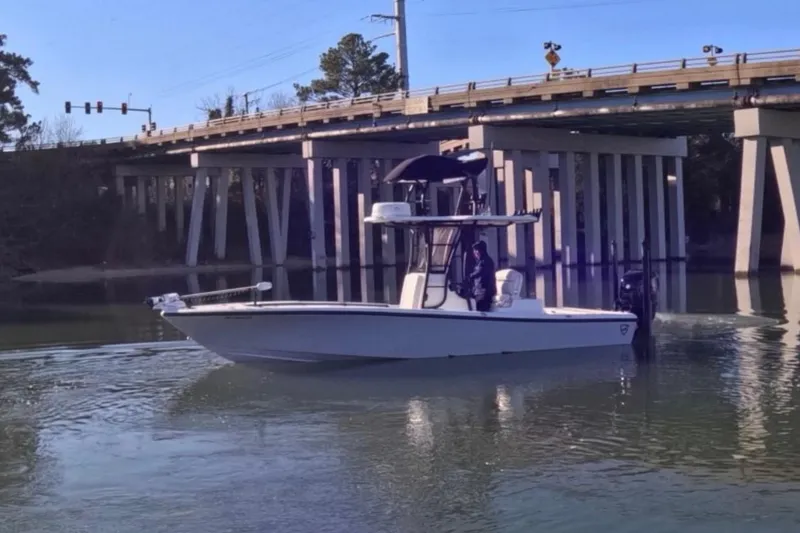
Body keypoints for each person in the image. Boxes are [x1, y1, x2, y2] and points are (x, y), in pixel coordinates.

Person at [467, 240, 496, 312]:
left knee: (482, 311)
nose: (475, 252)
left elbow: (480, 272)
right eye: (474, 250)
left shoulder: (486, 261)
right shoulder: (479, 261)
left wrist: (470, 276)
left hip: (484, 292)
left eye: (477, 250)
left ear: (482, 250)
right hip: (478, 291)